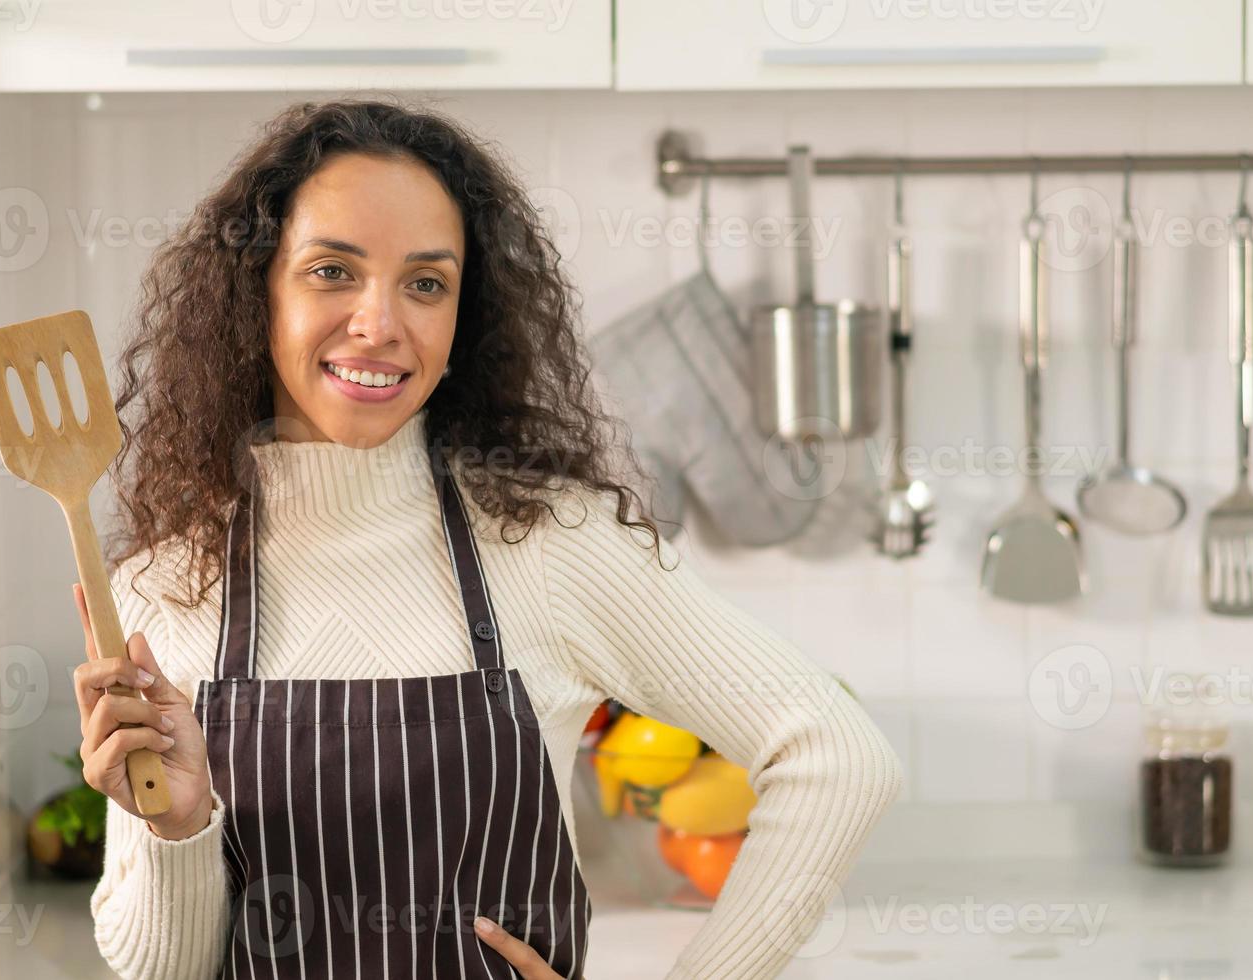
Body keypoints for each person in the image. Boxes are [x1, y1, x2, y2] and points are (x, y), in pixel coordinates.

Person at [72, 97, 903, 980]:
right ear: (257, 293)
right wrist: (179, 827)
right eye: (330, 271)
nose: (380, 324)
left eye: (425, 283)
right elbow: (161, 970)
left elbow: (837, 755)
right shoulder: (163, 587)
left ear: (462, 319)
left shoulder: (550, 546)